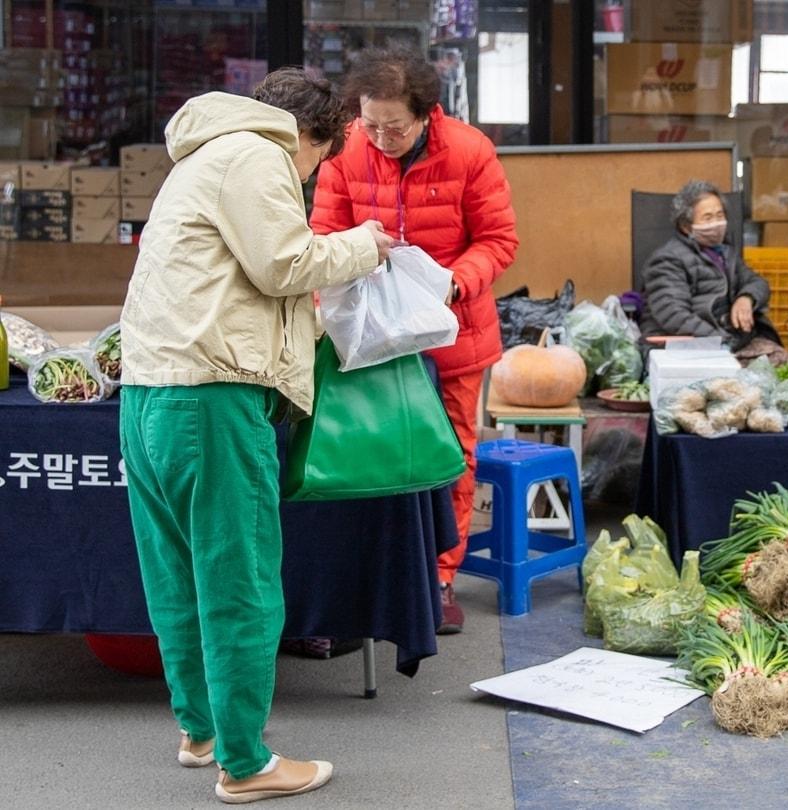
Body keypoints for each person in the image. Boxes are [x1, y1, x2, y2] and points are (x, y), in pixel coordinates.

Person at [119, 69, 395, 801]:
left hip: (150, 391)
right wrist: (364, 244)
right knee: (239, 583)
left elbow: (239, 275)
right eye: (318, 161)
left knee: (178, 576)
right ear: (311, 136)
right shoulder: (258, 153)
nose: (310, 176)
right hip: (212, 399)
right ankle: (245, 764)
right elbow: (284, 263)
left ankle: (202, 730)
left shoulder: (202, 153)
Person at [310, 44, 519, 635]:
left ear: (427, 113)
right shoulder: (346, 148)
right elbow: (324, 232)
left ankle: (439, 576)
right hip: (368, 333)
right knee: (365, 446)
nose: (381, 138)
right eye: (370, 124)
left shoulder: (471, 152)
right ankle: (367, 574)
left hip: (453, 329)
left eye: (394, 127)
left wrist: (455, 281)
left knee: (448, 451)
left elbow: (499, 241)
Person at [639, 180, 787, 364]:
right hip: (688, 345)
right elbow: (675, 316)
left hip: (729, 339)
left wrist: (746, 298)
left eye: (720, 215)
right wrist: (720, 343)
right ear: (686, 226)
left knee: (779, 359)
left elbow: (757, 282)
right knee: (749, 371)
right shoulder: (667, 259)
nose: (716, 223)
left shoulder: (725, 253)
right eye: (708, 218)